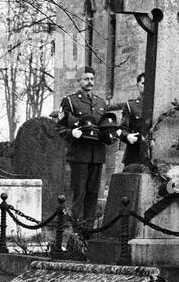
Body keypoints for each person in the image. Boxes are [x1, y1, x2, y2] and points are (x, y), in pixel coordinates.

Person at [58, 69, 110, 228]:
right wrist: (71, 132)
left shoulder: (101, 103)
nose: (90, 82)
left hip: (97, 154)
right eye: (86, 79)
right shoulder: (70, 101)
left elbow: (106, 125)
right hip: (79, 155)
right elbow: (59, 127)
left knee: (93, 194)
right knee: (79, 194)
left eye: (92, 79)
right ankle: (77, 231)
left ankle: (88, 231)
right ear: (79, 81)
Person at [118, 72, 149, 168]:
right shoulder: (131, 105)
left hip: (154, 154)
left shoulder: (158, 105)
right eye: (143, 83)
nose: (147, 86)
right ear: (138, 85)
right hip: (135, 154)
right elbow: (122, 128)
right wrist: (128, 136)